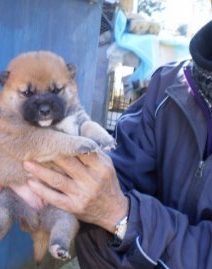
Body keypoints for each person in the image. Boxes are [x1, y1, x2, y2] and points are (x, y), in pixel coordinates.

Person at [22, 20, 212, 268]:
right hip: (142, 249)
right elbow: (123, 167)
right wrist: (65, 181)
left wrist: (121, 215)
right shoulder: (169, 84)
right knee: (93, 226)